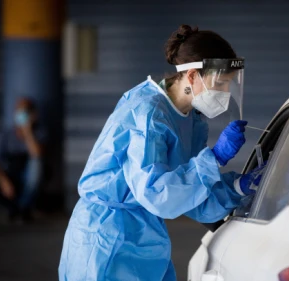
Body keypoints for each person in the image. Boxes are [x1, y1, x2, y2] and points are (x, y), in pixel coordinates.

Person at [58, 25, 259, 281]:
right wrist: (215, 157)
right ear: (193, 76)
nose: (225, 93)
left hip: (145, 237)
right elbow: (155, 192)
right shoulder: (149, 114)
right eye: (220, 83)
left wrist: (239, 187)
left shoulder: (192, 120)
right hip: (108, 238)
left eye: (228, 84)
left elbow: (190, 194)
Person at [0, 97, 45, 222]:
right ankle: (16, 209)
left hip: (28, 177)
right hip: (10, 176)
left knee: (37, 164)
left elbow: (37, 154)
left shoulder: (38, 132)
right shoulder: (5, 134)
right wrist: (4, 181)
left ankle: (23, 208)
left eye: (24, 111)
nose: (20, 115)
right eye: (18, 111)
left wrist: (28, 131)